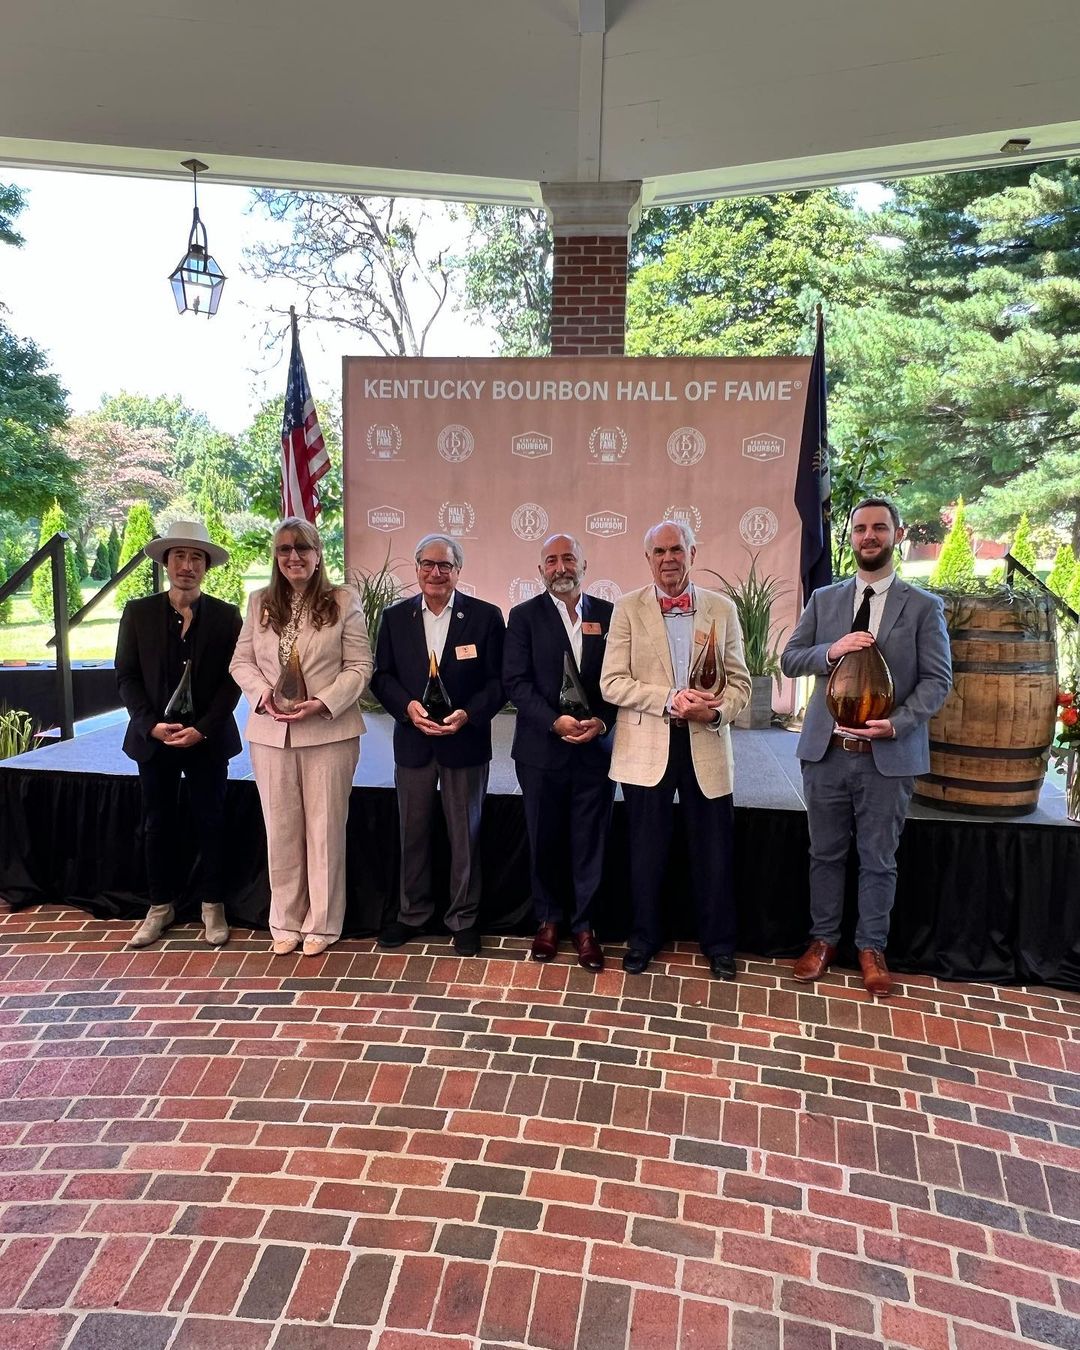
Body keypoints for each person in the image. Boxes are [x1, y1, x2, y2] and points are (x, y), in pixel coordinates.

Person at [780, 497, 952, 997]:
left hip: (887, 758)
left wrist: (896, 725)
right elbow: (791, 659)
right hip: (826, 754)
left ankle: (871, 949)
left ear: (897, 535)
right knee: (824, 853)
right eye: (860, 529)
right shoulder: (824, 600)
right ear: (851, 537)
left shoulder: (923, 607)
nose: (869, 536)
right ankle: (823, 941)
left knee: (879, 858)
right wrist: (831, 650)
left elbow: (938, 681)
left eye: (879, 527)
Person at [600, 520, 751, 978]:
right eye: (660, 551)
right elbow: (612, 683)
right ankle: (644, 938)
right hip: (646, 749)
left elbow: (740, 683)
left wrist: (716, 712)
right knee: (646, 852)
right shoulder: (627, 608)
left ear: (693, 553)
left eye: (677, 550)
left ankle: (719, 945)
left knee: (714, 853)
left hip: (707, 744)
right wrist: (669, 699)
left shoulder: (722, 609)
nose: (669, 559)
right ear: (648, 559)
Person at [229, 517, 372, 957]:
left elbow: (360, 667)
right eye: (284, 549)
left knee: (325, 831)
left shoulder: (343, 600)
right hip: (270, 734)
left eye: (303, 548)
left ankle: (323, 924)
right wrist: (263, 695)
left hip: (328, 732)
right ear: (276, 557)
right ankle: (285, 920)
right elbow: (240, 662)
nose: (294, 557)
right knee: (281, 830)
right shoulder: (259, 602)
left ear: (318, 554)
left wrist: (324, 701)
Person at [372, 534, 505, 957]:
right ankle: (412, 914)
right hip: (414, 743)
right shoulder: (395, 618)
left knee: (465, 835)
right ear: (417, 569)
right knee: (412, 832)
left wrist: (468, 713)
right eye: (427, 564)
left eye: (445, 565)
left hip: (464, 742)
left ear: (458, 571)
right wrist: (406, 707)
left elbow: (499, 681)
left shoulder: (485, 617)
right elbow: (381, 676)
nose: (435, 572)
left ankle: (463, 918)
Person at [115, 519, 243, 948]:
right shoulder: (138, 613)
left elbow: (233, 680)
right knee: (157, 823)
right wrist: (149, 724)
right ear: (166, 563)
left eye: (196, 558)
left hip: (206, 740)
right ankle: (160, 906)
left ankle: (213, 904)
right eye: (180, 557)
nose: (187, 566)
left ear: (206, 566)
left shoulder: (226, 616)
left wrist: (203, 730)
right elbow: (126, 675)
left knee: (212, 820)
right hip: (154, 739)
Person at [503, 533, 618, 971]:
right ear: (540, 570)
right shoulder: (523, 617)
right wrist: (554, 721)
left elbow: (620, 678)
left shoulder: (608, 615)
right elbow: (516, 682)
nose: (560, 567)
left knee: (590, 840)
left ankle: (585, 927)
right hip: (541, 751)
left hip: (594, 750)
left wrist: (602, 721)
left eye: (568, 559)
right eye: (551, 561)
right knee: (544, 837)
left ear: (584, 565)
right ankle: (549, 920)